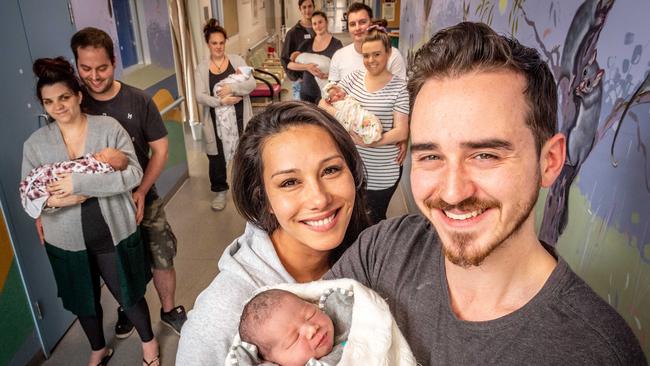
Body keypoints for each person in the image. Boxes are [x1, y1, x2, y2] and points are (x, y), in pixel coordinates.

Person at [326, 22, 647, 365]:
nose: (451, 193)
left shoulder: (595, 351)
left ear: (550, 162)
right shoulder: (383, 251)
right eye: (431, 156)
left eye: (485, 156)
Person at [175, 102, 371, 366]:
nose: (319, 199)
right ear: (263, 197)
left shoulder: (372, 255)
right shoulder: (220, 317)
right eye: (290, 182)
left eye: (331, 170)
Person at [22, 57, 158, 366]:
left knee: (129, 293)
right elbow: (29, 194)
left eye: (65, 97)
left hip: (113, 231)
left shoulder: (108, 129)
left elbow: (134, 174)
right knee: (83, 302)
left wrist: (80, 185)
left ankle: (148, 344)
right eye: (49, 101)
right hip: (65, 239)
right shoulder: (35, 145)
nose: (58, 106)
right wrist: (54, 202)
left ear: (79, 96)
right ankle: (98, 348)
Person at [69, 27, 187, 338]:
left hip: (144, 197)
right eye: (85, 68)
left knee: (162, 255)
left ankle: (168, 310)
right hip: (102, 207)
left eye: (102, 68)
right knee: (120, 264)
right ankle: (128, 309)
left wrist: (142, 190)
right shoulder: (75, 104)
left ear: (114, 61)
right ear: (76, 64)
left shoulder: (138, 100)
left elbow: (160, 148)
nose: (94, 76)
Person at [320, 24, 409, 224]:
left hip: (383, 170)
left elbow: (401, 131)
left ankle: (376, 253)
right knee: (354, 216)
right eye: (366, 55)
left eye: (377, 54)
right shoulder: (353, 78)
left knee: (374, 218)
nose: (370, 61)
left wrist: (368, 143)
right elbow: (323, 103)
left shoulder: (400, 88)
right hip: (353, 166)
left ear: (389, 53)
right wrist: (345, 114)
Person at [229, 279, 415, 366]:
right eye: (294, 338)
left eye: (310, 314)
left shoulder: (350, 326)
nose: (311, 329)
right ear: (271, 361)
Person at [195, 19, 255, 211]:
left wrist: (232, 87)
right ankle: (220, 190)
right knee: (217, 157)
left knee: (243, 153)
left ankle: (247, 189)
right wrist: (221, 101)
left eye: (221, 43)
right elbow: (199, 96)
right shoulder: (202, 68)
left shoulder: (237, 61)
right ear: (208, 44)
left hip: (239, 117)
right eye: (214, 43)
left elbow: (251, 84)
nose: (218, 47)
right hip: (215, 121)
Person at [20, 147, 128, 219]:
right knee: (46, 179)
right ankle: (33, 194)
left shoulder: (102, 168)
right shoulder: (32, 144)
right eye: (99, 153)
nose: (96, 154)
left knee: (46, 186)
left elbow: (133, 174)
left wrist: (79, 182)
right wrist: (50, 203)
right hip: (57, 230)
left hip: (104, 224)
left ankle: (34, 195)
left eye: (101, 156)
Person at [328, 3, 406, 82]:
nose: (357, 28)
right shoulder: (339, 56)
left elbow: (401, 90)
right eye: (352, 24)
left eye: (362, 22)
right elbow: (332, 88)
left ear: (371, 23)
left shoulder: (392, 55)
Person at [287, 11, 342, 104]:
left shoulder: (336, 44)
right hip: (307, 93)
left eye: (320, 22)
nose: (318, 26)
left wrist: (329, 74)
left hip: (326, 94)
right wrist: (307, 67)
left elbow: (341, 69)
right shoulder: (307, 43)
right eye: (314, 23)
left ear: (326, 22)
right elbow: (290, 64)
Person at [280, 0, 315, 100]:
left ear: (314, 7)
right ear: (300, 9)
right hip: (301, 83)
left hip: (318, 81)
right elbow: (284, 59)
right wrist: (296, 78)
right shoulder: (292, 33)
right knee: (302, 114)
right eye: (304, 7)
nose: (307, 10)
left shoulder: (318, 29)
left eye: (310, 6)